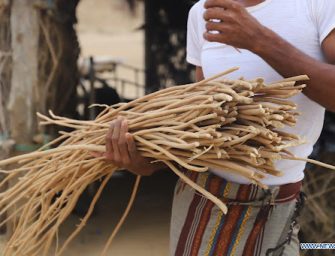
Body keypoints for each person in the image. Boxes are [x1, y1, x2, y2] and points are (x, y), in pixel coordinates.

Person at [101, 0, 335, 255]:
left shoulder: (317, 5)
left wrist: (260, 40)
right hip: (200, 207)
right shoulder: (202, 13)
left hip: (275, 211)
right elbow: (201, 132)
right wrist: (146, 161)